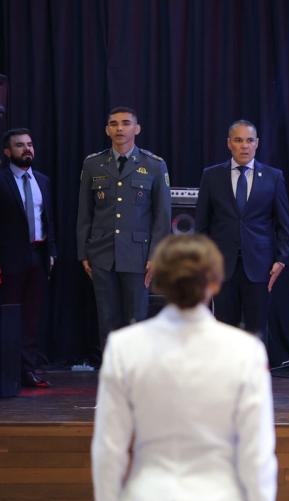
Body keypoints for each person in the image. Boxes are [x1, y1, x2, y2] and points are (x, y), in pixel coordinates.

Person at [91, 234, 277, 501]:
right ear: (215, 281)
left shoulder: (125, 346)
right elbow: (257, 461)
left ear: (157, 279)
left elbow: (108, 456)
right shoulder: (244, 351)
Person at [77, 106, 171, 354]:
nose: (120, 128)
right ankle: (113, 373)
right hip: (102, 252)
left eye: (126, 123)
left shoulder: (154, 165)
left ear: (136, 128)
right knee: (107, 318)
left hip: (138, 255)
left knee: (136, 318)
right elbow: (84, 212)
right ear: (107, 130)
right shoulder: (93, 164)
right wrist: (83, 252)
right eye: (114, 124)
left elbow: (162, 216)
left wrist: (156, 255)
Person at [195, 120, 289, 339]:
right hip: (222, 267)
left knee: (257, 330)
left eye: (249, 140)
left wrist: (282, 259)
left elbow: (284, 224)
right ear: (229, 143)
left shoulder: (273, 177)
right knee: (223, 330)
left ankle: (254, 373)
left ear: (257, 143)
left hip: (260, 267)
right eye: (238, 140)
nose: (244, 146)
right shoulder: (211, 176)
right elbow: (201, 225)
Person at [0, 128, 57, 388]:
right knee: (9, 316)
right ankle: (6, 371)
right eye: (20, 145)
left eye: (30, 144)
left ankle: (28, 369)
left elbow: (48, 220)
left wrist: (52, 252)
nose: (27, 149)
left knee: (32, 317)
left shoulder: (42, 181)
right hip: (8, 259)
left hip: (38, 256)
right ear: (7, 151)